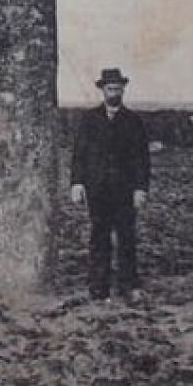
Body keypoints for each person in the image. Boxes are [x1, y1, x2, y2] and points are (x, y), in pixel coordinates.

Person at [70, 67, 151, 301]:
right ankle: (99, 289)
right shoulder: (89, 120)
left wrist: (140, 189)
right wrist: (77, 183)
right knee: (99, 238)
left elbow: (141, 159)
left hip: (125, 192)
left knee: (126, 238)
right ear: (102, 90)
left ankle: (129, 286)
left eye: (117, 88)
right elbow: (80, 154)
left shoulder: (133, 121)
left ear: (123, 90)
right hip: (98, 190)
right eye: (109, 88)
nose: (113, 92)